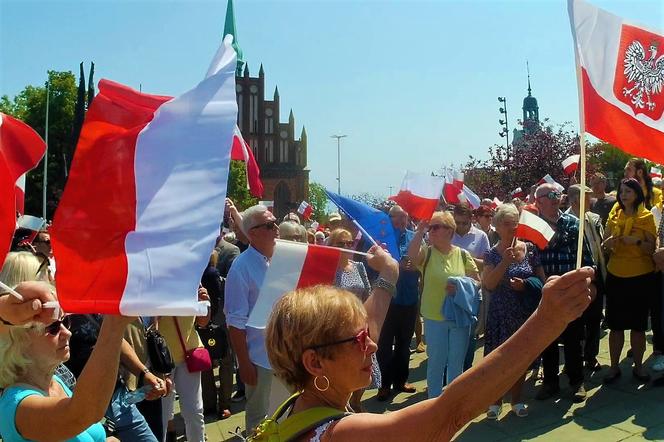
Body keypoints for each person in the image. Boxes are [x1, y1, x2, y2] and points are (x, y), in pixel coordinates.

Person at [264, 245, 595, 441]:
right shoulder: (345, 434)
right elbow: (451, 412)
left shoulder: (295, 407)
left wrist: (389, 275)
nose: (372, 346)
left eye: (366, 334)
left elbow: (372, 321)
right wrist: (547, 322)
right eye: (358, 340)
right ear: (315, 362)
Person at [0, 254, 144, 442]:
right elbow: (82, 414)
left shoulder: (57, 381)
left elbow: (88, 430)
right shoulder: (15, 404)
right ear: (19, 340)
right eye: (52, 328)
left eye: (65, 321)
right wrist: (114, 325)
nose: (67, 332)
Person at [225, 204, 290, 433]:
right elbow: (235, 322)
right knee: (258, 420)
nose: (277, 229)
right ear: (252, 233)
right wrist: (244, 363)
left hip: (286, 355)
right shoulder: (241, 268)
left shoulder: (281, 261)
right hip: (259, 359)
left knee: (286, 415)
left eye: (276, 223)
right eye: (270, 225)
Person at [481, 204, 546, 419]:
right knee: (498, 360)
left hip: (523, 313)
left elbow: (542, 281)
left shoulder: (530, 249)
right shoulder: (491, 254)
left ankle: (516, 400)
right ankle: (494, 401)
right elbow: (488, 284)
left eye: (514, 224)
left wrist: (526, 284)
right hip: (500, 314)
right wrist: (505, 262)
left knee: (520, 359)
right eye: (506, 224)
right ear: (497, 227)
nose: (512, 228)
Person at [407, 211, 480, 397]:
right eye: (430, 227)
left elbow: (477, 281)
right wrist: (419, 231)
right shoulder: (428, 253)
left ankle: (453, 404)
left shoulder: (463, 255)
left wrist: (460, 287)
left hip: (458, 316)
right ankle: (434, 404)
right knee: (436, 363)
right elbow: (412, 256)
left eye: (435, 227)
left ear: (449, 230)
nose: (431, 231)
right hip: (434, 317)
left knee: (456, 363)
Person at [534, 183, 595, 403]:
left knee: (573, 338)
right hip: (543, 295)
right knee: (546, 340)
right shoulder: (531, 228)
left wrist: (588, 281)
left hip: (570, 293)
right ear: (538, 201)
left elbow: (588, 259)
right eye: (548, 195)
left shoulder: (573, 223)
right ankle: (550, 382)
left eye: (557, 195)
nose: (554, 199)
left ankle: (577, 382)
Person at [602, 178, 657, 384]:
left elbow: (652, 249)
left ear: (637, 194)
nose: (624, 195)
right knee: (615, 326)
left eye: (628, 191)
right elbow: (604, 245)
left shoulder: (646, 217)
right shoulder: (614, 215)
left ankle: (639, 367)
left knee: (638, 326)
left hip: (640, 277)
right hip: (616, 275)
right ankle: (614, 367)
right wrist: (610, 242)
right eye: (622, 191)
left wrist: (637, 241)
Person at [376, 206, 420, 402]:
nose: (402, 222)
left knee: (404, 342)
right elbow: (372, 262)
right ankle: (384, 385)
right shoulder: (381, 237)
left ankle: (401, 381)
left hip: (409, 297)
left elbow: (422, 261)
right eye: (398, 218)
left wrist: (415, 266)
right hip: (387, 299)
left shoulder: (414, 237)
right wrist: (395, 264)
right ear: (389, 218)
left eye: (405, 218)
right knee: (384, 343)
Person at [328, 228, 376, 411]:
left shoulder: (359, 266)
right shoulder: (328, 268)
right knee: (345, 366)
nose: (347, 247)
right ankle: (343, 404)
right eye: (341, 243)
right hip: (338, 324)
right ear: (331, 245)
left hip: (360, 322)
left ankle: (356, 402)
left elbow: (368, 292)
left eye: (350, 243)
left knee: (363, 364)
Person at [158, 286, 211, 442]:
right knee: (163, 415)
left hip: (190, 356)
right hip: (161, 360)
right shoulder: (153, 283)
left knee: (194, 411)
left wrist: (204, 302)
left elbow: (203, 321)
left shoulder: (192, 279)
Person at [568, 184, 606, 372]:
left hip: (596, 275)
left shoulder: (594, 219)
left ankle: (591, 356)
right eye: (587, 197)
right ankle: (573, 360)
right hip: (575, 278)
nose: (591, 201)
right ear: (575, 199)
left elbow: (600, 245)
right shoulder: (564, 221)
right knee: (575, 321)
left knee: (594, 318)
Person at [451, 203, 490, 372]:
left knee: (470, 336)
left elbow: (488, 263)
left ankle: (466, 372)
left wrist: (465, 258)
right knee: (450, 335)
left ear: (471, 220)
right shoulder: (447, 234)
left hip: (472, 293)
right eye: (457, 222)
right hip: (449, 293)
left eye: (464, 223)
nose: (460, 227)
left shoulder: (480, 236)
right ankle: (449, 373)